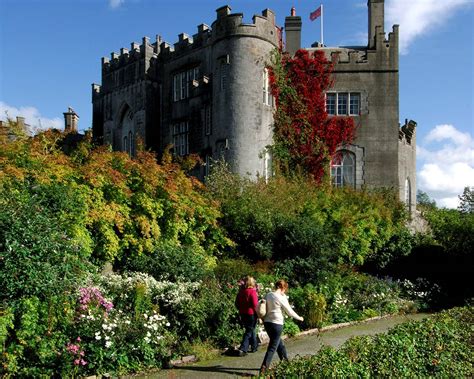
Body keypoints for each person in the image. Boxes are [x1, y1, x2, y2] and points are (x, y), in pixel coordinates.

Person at [260, 279, 303, 374]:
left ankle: (285, 363)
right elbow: (290, 312)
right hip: (277, 324)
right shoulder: (280, 297)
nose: (285, 291)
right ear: (282, 287)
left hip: (267, 323)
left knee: (279, 343)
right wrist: (299, 318)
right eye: (285, 289)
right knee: (272, 346)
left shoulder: (268, 295)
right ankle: (263, 369)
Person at [235, 275, 259, 356]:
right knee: (249, 331)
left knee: (251, 329)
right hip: (251, 314)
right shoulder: (252, 291)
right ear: (252, 283)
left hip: (242, 314)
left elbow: (236, 304)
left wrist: (241, 308)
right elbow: (255, 305)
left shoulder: (241, 292)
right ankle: (243, 349)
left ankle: (254, 347)